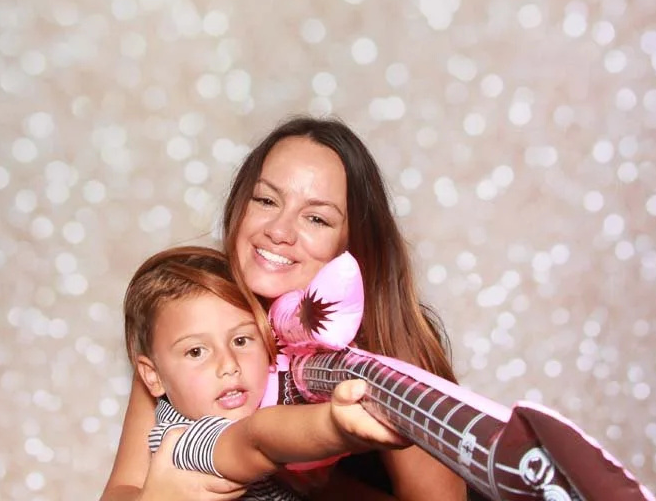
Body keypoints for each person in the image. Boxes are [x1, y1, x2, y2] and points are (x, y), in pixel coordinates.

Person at [101, 116, 468, 501]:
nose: (279, 230)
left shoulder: (390, 346)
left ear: (351, 246)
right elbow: (123, 488)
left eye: (316, 218)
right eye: (265, 200)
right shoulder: (193, 316)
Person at [123, 246, 407, 500]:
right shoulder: (179, 443)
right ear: (153, 376)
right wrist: (336, 427)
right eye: (196, 352)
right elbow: (256, 439)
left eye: (241, 341)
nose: (229, 364)